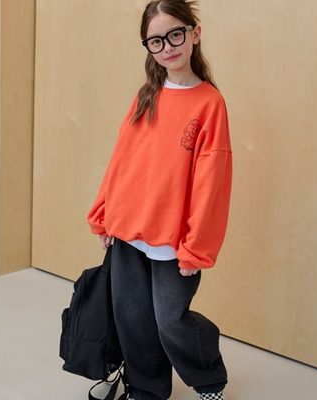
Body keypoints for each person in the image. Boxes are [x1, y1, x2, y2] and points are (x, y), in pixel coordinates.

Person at [87, 1, 232, 399]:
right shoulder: (146, 96)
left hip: (173, 238)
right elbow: (122, 161)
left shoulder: (209, 103)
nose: (167, 47)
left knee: (170, 320)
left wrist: (196, 246)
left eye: (175, 34)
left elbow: (210, 183)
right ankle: (146, 389)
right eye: (156, 41)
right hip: (129, 228)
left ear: (194, 34)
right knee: (133, 318)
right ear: (148, 47)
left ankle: (209, 379)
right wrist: (103, 215)